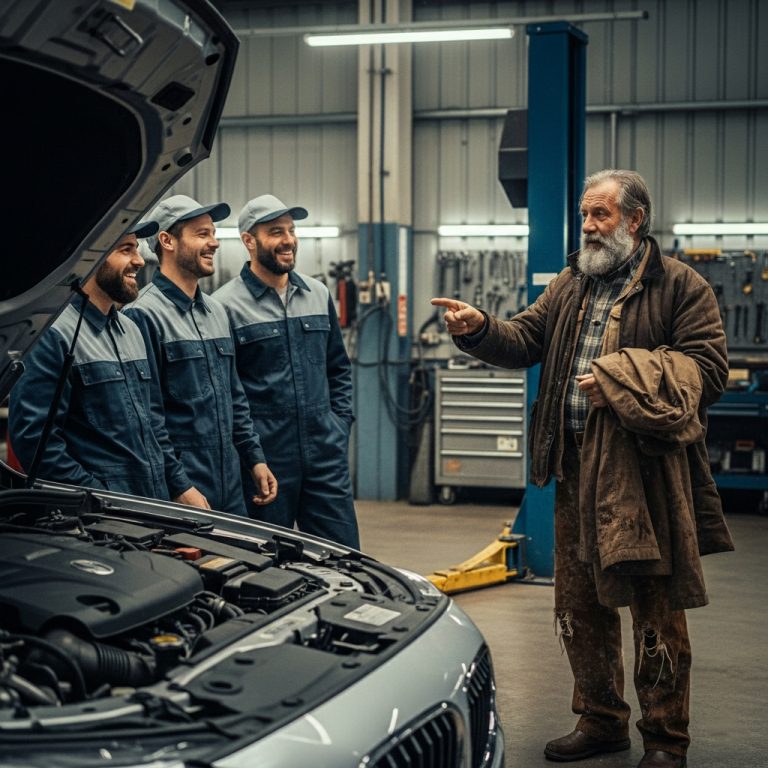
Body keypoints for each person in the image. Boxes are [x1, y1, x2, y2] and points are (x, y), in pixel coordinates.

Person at [432, 169, 734, 768]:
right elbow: (525, 339)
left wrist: (623, 379)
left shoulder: (680, 285)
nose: (589, 227)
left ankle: (666, 737)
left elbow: (708, 370)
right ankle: (600, 721)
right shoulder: (572, 282)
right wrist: (480, 328)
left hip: (644, 475)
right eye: (585, 215)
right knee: (577, 606)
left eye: (601, 214)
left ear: (635, 220)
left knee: (655, 609)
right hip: (574, 470)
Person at [9, 221, 207, 505]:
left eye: (136, 249)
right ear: (91, 257)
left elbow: (153, 424)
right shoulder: (53, 334)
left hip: (153, 504)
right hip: (102, 517)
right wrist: (101, 500)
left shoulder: (132, 330)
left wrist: (178, 485)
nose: (139, 260)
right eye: (126, 249)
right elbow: (37, 444)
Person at [212, 194, 359, 549]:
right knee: (267, 559)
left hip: (325, 454)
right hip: (266, 461)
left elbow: (338, 368)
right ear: (249, 241)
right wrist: (250, 456)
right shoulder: (223, 306)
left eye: (291, 230)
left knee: (343, 557)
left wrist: (339, 426)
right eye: (276, 232)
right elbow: (228, 392)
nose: (289, 240)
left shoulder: (318, 294)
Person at [124, 195, 277, 516]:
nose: (214, 243)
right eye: (202, 234)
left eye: (214, 233)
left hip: (230, 482)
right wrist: (178, 484)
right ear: (167, 240)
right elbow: (147, 417)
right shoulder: (143, 315)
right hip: (185, 486)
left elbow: (235, 397)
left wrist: (255, 459)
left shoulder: (217, 312)